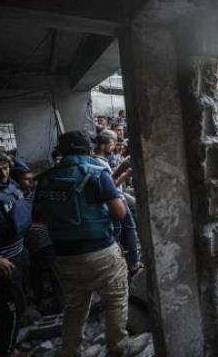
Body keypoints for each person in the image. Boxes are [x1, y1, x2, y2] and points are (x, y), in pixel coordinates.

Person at [33, 131, 148, 357]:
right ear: (88, 149)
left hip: (63, 255)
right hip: (99, 251)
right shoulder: (96, 172)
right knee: (115, 299)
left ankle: (71, 350)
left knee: (74, 306)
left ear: (62, 151)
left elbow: (38, 216)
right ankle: (119, 346)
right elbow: (119, 212)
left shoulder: (47, 178)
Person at [0, 150, 32, 357]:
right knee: (11, 309)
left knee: (20, 304)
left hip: (19, 255)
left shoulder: (11, 187)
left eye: (5, 168)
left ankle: (10, 344)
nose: (3, 174)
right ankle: (5, 352)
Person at [11, 167, 64, 313]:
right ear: (16, 182)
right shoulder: (15, 197)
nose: (31, 182)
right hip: (28, 244)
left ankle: (61, 303)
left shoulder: (38, 193)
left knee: (54, 273)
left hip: (46, 239)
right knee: (36, 274)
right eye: (26, 179)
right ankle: (40, 303)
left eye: (32, 178)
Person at [93, 130, 141, 273]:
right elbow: (111, 185)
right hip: (116, 198)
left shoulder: (97, 161)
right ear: (102, 146)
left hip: (117, 196)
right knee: (129, 228)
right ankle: (133, 262)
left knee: (119, 230)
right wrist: (125, 173)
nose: (114, 147)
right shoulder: (100, 163)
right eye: (112, 144)